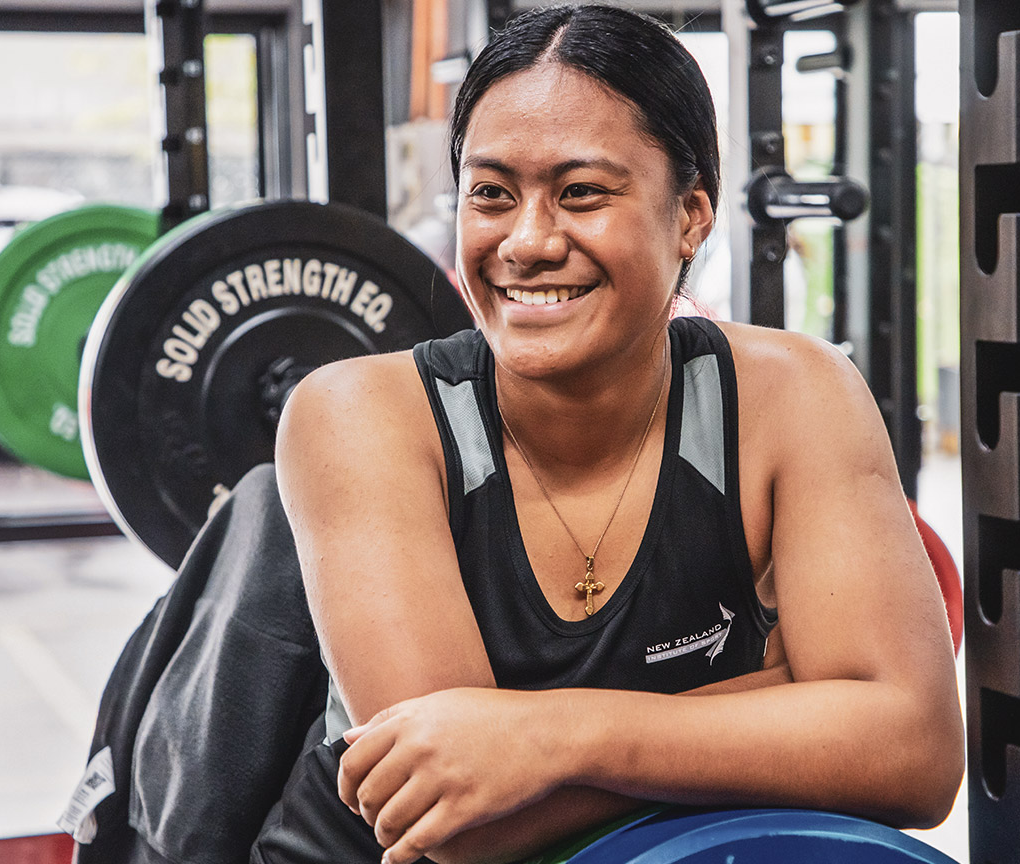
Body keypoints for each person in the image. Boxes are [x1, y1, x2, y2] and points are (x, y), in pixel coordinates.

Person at [252, 6, 964, 863]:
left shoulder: (797, 395)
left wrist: (556, 736)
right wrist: (797, 709)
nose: (527, 241)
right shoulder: (360, 415)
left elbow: (915, 756)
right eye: (491, 194)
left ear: (691, 215)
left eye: (582, 192)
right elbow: (463, 826)